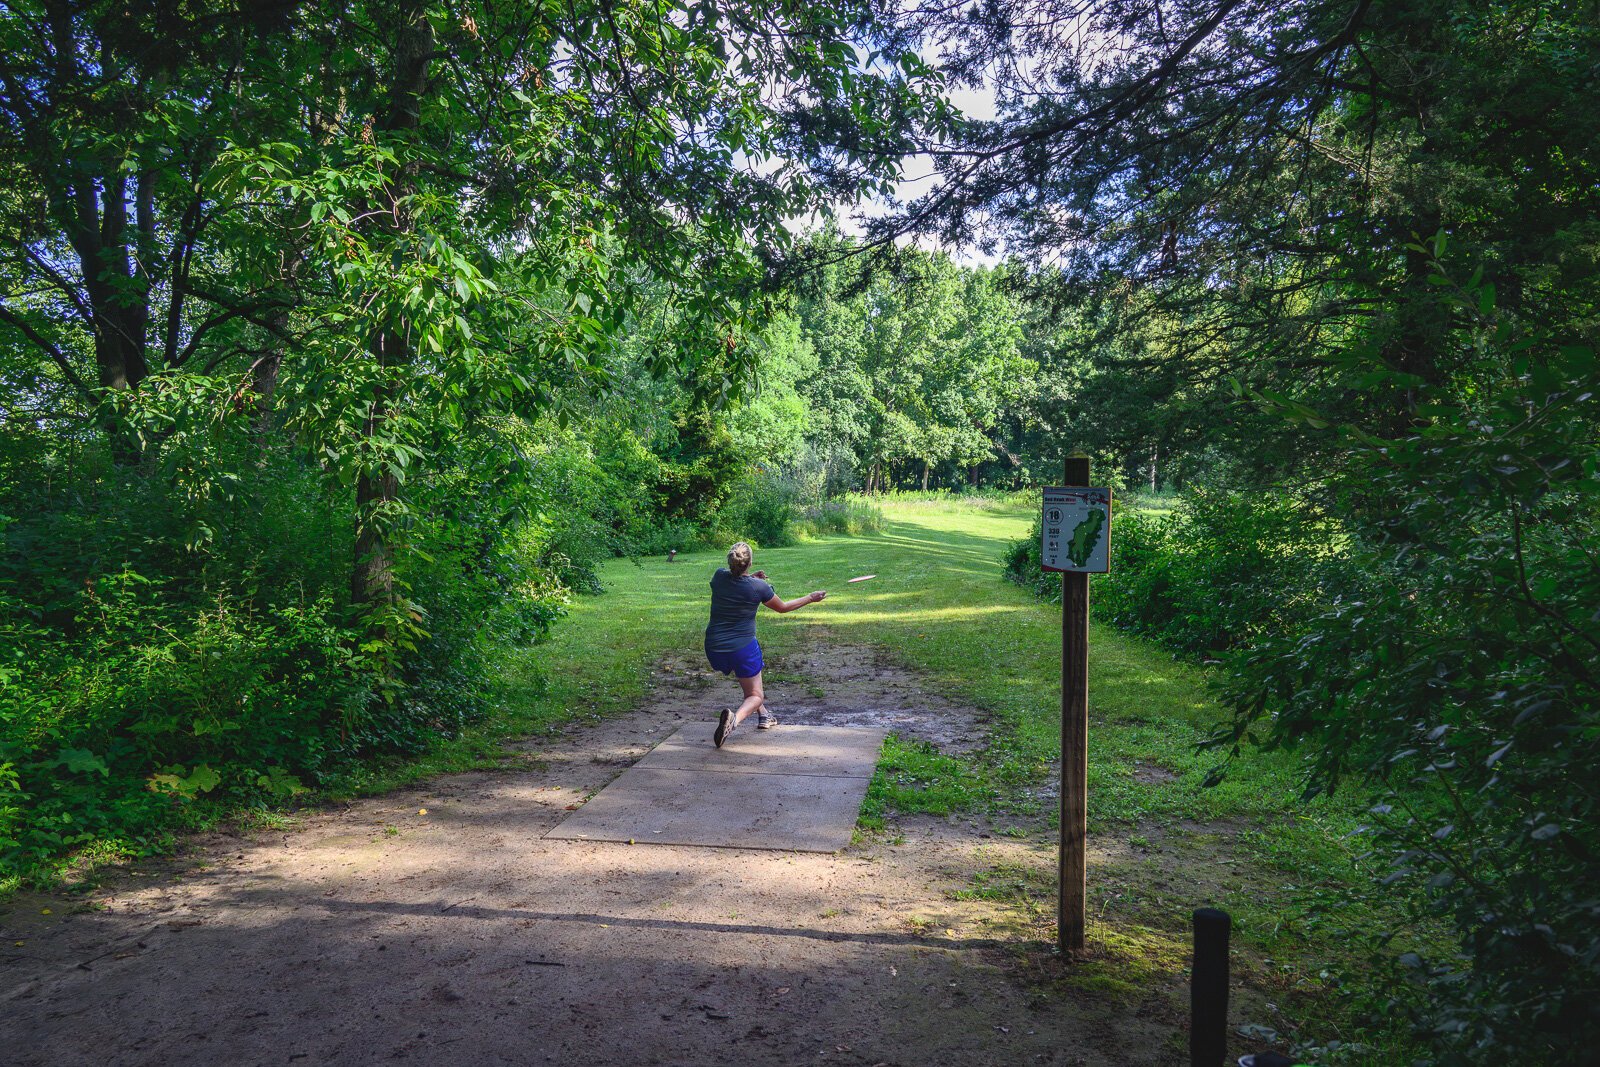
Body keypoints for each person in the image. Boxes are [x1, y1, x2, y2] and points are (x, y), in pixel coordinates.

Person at [704, 541, 827, 747]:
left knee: (749, 683)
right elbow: (783, 607)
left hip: (714, 647)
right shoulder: (759, 588)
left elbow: (735, 584)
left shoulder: (718, 577)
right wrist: (810, 597)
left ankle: (765, 716)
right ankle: (734, 721)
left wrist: (751, 579)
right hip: (742, 648)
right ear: (750, 562)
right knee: (755, 694)